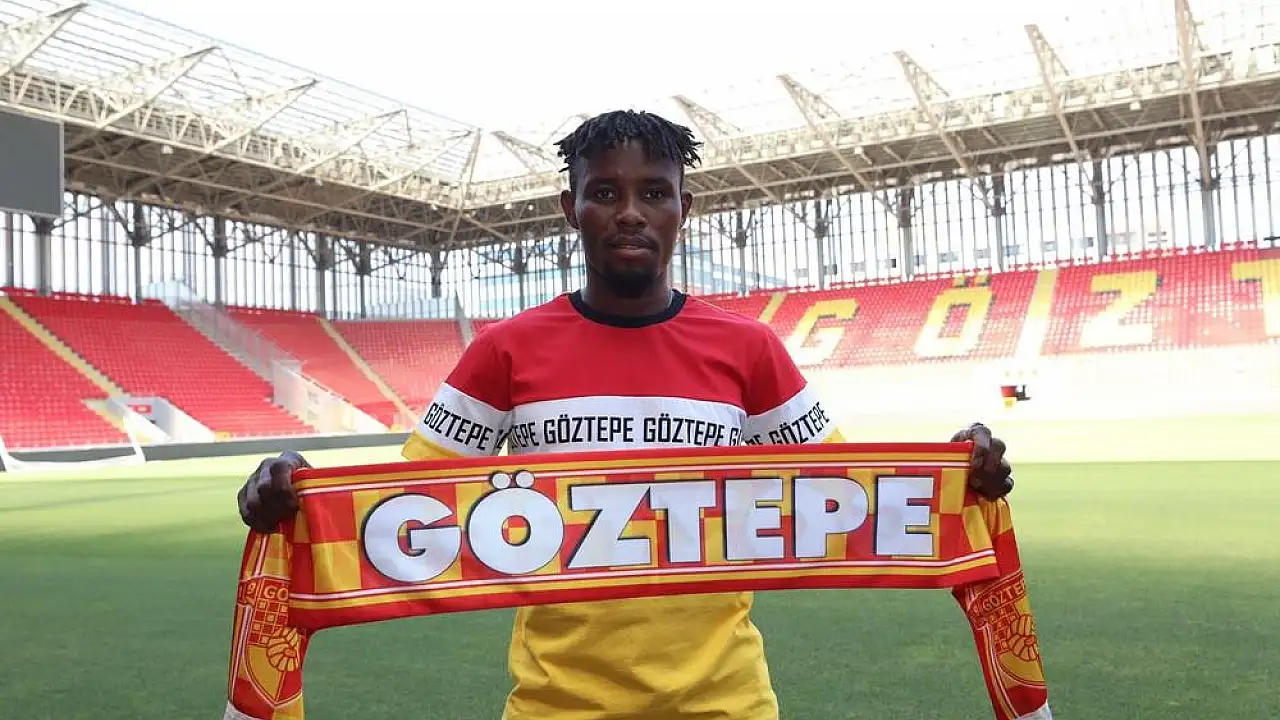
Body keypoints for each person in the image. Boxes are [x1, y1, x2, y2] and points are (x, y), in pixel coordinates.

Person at [238, 109, 1015, 720]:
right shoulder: (505, 351)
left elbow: (848, 496)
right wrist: (296, 494)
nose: (630, 212)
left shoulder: (748, 350)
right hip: (557, 706)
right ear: (570, 207)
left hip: (725, 704)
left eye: (654, 192)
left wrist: (957, 475)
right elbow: (401, 511)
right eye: (605, 192)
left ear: (684, 207)